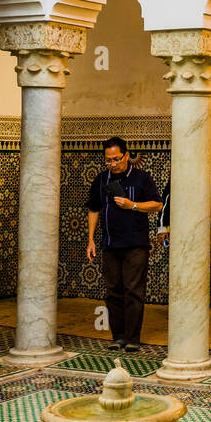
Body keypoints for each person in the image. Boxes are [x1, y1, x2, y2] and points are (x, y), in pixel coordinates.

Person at [86, 137, 162, 352]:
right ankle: (118, 336)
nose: (112, 164)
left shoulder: (141, 178)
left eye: (116, 159)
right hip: (109, 244)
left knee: (133, 291)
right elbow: (93, 209)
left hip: (135, 244)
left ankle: (132, 338)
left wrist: (133, 205)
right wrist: (91, 240)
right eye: (108, 160)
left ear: (126, 155)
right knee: (113, 291)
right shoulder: (101, 180)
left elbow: (157, 204)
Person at [157, 173, 211, 247]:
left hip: (201, 233)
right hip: (178, 233)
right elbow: (165, 203)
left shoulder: (209, 178)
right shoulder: (178, 174)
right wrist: (162, 228)